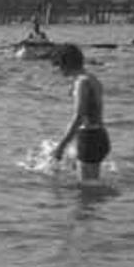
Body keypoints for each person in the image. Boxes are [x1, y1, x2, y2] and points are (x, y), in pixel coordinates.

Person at [51, 44, 110, 180]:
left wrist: (61, 146)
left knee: (86, 190)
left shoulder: (81, 83)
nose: (57, 70)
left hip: (89, 138)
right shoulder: (92, 78)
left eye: (57, 65)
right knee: (91, 184)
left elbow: (79, 116)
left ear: (65, 64)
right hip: (100, 135)